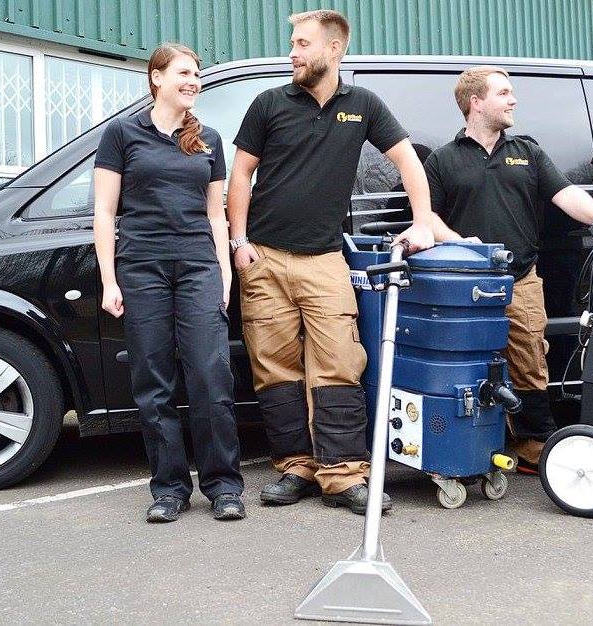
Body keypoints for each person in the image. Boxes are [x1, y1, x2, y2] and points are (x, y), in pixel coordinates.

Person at [226, 9, 435, 514]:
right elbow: (240, 175)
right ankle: (293, 468)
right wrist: (238, 242)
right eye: (293, 43)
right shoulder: (268, 103)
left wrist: (424, 221)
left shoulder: (362, 105)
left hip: (325, 261)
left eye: (302, 43)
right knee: (274, 369)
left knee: (339, 364)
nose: (293, 52)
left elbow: (408, 161)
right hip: (266, 260)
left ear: (334, 48)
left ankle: (343, 476)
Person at [423, 66, 593, 473]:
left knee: (529, 361)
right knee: (465, 363)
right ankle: (472, 441)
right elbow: (427, 217)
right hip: (463, 287)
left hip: (520, 279)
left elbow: (567, 195)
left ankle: (532, 444)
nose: (513, 100)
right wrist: (456, 240)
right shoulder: (443, 159)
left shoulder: (527, 151)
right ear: (476, 102)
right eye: (503, 93)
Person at [93, 43, 245, 523]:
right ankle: (170, 488)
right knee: (153, 381)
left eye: (197, 74)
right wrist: (108, 280)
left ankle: (223, 485)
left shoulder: (209, 139)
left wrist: (222, 275)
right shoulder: (122, 134)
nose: (193, 81)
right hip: (143, 269)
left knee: (210, 374)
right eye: (184, 72)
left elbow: (214, 214)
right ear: (156, 78)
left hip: (198, 267)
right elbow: (104, 211)